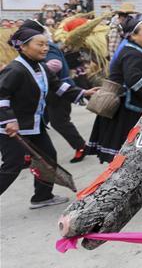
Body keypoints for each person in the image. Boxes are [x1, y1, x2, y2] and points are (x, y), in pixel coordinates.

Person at [0, 27, 96, 206]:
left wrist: (84, 92)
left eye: (46, 44)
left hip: (34, 125)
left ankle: (42, 196)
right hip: (13, 129)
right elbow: (1, 96)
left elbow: (59, 87)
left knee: (48, 158)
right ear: (23, 47)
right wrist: (9, 120)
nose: (45, 48)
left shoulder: (42, 68)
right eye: (40, 44)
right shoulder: (15, 70)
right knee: (12, 166)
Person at [16, 20, 89, 163]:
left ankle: (81, 146)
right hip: (46, 93)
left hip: (59, 92)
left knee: (59, 122)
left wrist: (33, 71)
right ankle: (30, 154)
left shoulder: (47, 47)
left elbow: (56, 64)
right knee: (37, 123)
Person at [86, 17, 142, 164]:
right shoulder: (133, 53)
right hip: (126, 108)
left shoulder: (133, 49)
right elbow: (134, 80)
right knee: (125, 150)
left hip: (125, 104)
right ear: (133, 35)